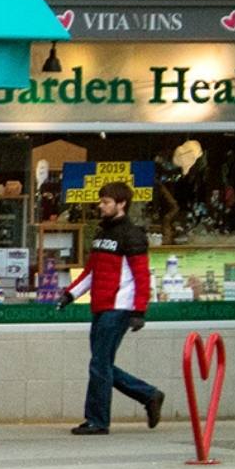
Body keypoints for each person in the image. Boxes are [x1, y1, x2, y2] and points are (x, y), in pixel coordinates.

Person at [61, 180, 164, 436]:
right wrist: (70, 294)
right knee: (102, 364)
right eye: (101, 201)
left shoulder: (132, 235)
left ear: (121, 204)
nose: (101, 205)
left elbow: (142, 276)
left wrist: (139, 311)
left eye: (106, 202)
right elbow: (91, 272)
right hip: (101, 305)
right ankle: (149, 395)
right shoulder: (102, 232)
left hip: (119, 307)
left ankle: (98, 420)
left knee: (99, 364)